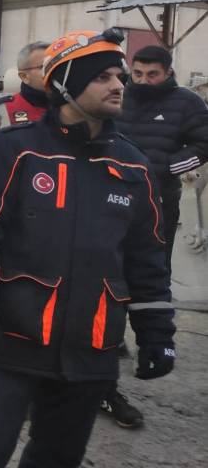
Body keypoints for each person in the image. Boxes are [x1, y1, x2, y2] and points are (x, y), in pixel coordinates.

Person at [0, 29, 176, 468]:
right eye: (104, 77)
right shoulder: (13, 150)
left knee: (57, 460)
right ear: (66, 84)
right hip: (10, 344)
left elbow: (146, 259)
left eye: (120, 76)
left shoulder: (134, 165)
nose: (118, 85)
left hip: (91, 354)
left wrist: (157, 335)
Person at [107, 44, 208, 428]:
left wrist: (166, 167)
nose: (143, 81)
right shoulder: (118, 95)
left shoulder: (188, 103)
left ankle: (150, 339)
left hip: (157, 205)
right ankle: (111, 342)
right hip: (110, 200)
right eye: (138, 73)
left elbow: (202, 144)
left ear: (168, 72)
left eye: (153, 74)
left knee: (149, 276)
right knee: (105, 273)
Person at [0, 41, 50, 127]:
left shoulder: (71, 107)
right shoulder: (0, 110)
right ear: (24, 76)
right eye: (44, 67)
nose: (53, 70)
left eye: (56, 65)